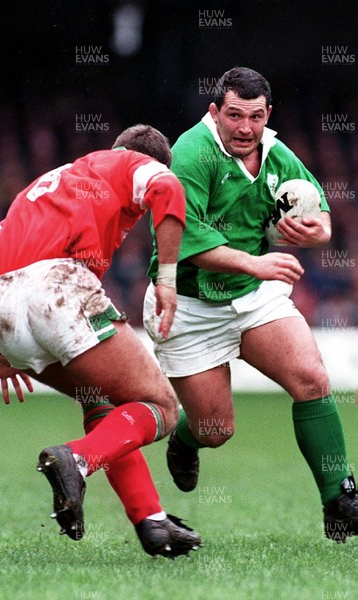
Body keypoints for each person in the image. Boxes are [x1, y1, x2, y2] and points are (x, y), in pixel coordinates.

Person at [0, 124, 202, 558]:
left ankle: (152, 522)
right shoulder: (130, 163)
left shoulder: (51, 187)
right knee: (161, 406)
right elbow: (167, 187)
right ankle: (76, 460)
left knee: (102, 403)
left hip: (1, 306)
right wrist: (168, 279)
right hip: (56, 288)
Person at [143, 68, 357, 543]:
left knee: (312, 379)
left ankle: (339, 496)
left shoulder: (275, 150)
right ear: (215, 111)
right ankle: (185, 440)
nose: (245, 128)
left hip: (253, 297)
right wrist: (256, 264)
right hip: (190, 304)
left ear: (268, 115)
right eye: (235, 115)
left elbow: (317, 204)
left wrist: (319, 228)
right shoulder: (190, 155)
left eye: (255, 117)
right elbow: (185, 238)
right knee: (216, 429)